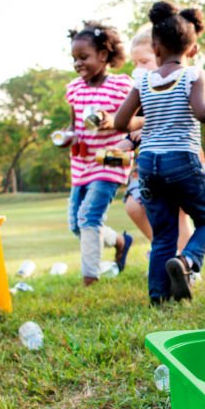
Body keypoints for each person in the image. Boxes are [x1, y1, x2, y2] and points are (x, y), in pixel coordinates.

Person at [115, 2, 205, 303]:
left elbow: (119, 122)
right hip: (183, 160)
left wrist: (146, 119)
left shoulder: (144, 82)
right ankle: (187, 262)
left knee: (163, 233)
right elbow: (203, 112)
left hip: (149, 163)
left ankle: (158, 297)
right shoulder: (192, 75)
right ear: (192, 49)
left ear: (155, 47)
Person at [64, 21, 135, 286]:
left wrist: (113, 120)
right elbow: (74, 127)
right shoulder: (73, 89)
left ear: (103, 56)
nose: (78, 64)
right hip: (81, 164)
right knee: (76, 224)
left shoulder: (121, 86)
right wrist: (66, 137)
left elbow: (136, 119)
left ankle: (90, 278)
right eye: (74, 59)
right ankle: (120, 241)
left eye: (84, 57)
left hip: (111, 160)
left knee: (89, 218)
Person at [122, 27, 193, 252]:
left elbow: (185, 118)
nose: (138, 68)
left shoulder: (183, 82)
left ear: (162, 54)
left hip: (178, 158)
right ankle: (166, 252)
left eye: (144, 61)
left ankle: (187, 265)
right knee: (134, 206)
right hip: (147, 164)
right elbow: (131, 123)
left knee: (179, 214)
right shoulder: (142, 90)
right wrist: (124, 142)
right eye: (135, 63)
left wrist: (146, 126)